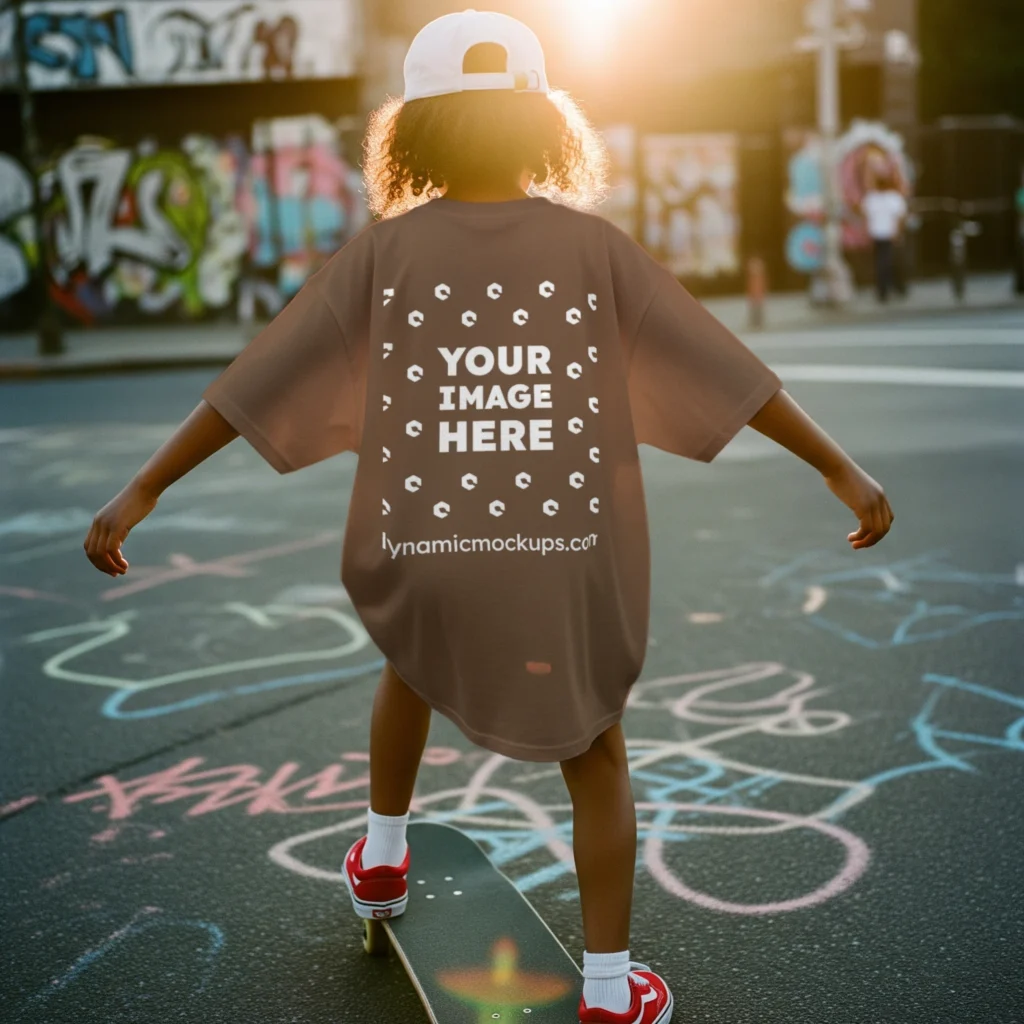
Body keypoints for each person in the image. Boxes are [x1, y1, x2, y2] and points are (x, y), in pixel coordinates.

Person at [83, 11, 894, 1023]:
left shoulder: (382, 255)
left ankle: (383, 857)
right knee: (594, 751)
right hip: (562, 551)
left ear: (414, 133)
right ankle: (610, 990)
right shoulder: (594, 250)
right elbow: (726, 371)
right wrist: (838, 467)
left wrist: (146, 486)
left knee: (411, 661)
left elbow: (258, 381)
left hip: (426, 548)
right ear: (543, 125)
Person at [861, 169, 908, 302]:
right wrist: (898, 232)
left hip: (877, 234)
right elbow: (900, 217)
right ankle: (891, 288)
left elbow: (866, 217)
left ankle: (884, 289)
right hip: (889, 234)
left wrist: (866, 232)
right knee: (888, 262)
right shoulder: (893, 198)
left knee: (881, 262)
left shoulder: (872, 198)